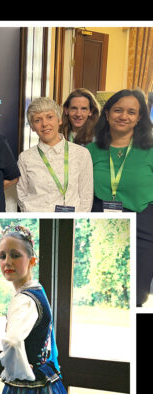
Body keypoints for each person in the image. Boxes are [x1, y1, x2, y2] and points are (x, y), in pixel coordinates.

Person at [86, 89, 153, 307]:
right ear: (106, 114)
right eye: (118, 110)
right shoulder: (90, 151)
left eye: (131, 112)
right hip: (100, 224)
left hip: (143, 226)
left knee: (136, 296)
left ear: (139, 117)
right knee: (101, 295)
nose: (124, 116)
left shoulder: (150, 150)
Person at [0, 225, 66, 393]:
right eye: (3, 256)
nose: (7, 261)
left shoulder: (24, 300)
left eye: (15, 255)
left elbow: (12, 341)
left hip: (29, 385)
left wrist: (19, 370)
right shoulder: (37, 289)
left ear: (32, 261)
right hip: (44, 374)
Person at [17, 97, 93, 212]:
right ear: (32, 127)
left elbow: (86, 196)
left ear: (59, 120)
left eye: (49, 117)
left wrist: (77, 221)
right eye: (37, 120)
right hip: (36, 221)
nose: (44, 124)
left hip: (71, 221)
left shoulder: (81, 154)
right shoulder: (25, 158)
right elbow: (21, 195)